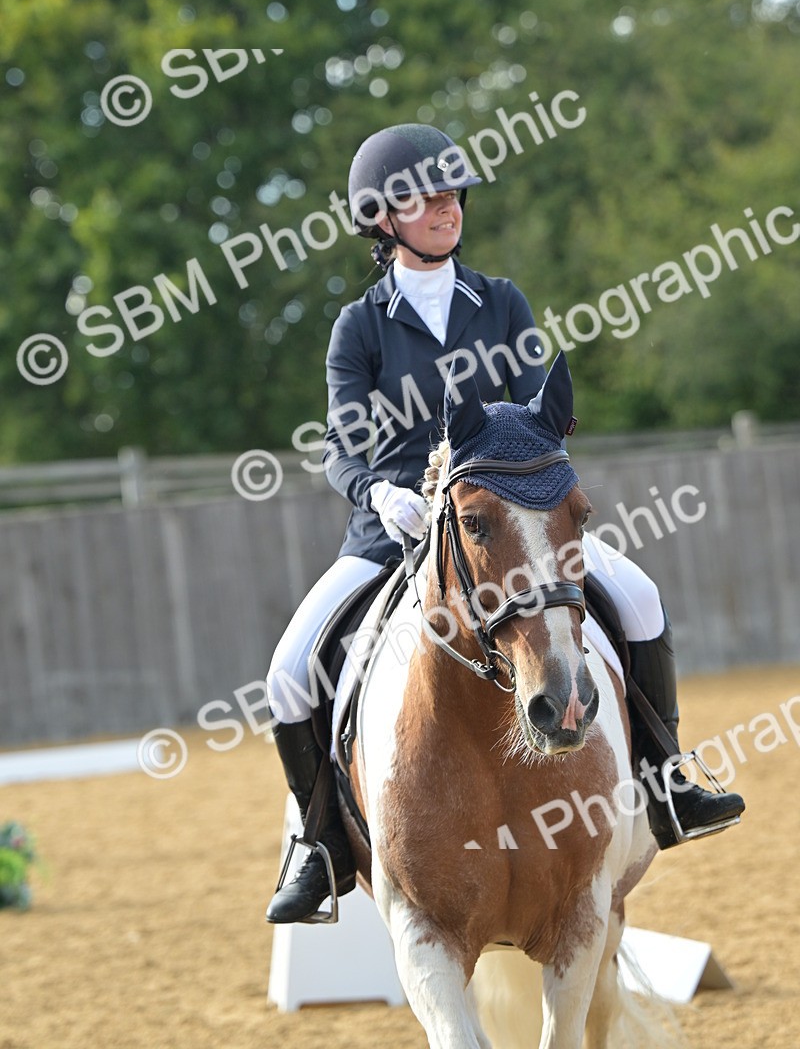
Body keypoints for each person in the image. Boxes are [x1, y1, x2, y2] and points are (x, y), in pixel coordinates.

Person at [265, 123, 745, 924]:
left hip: (510, 523)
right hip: (398, 534)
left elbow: (535, 414)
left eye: (454, 193)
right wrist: (381, 492)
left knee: (643, 597)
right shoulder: (360, 327)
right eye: (426, 197)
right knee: (288, 670)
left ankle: (666, 781)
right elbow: (340, 446)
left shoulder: (503, 301)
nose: (447, 208)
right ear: (383, 218)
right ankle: (317, 846)